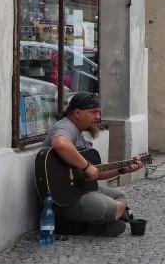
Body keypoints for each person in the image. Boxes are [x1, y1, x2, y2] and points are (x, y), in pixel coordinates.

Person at [42, 92, 143, 236]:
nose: (98, 117)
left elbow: (94, 174)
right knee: (105, 208)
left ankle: (85, 225)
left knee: (121, 196)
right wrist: (86, 166)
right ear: (77, 113)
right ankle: (99, 219)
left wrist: (121, 170)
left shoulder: (82, 133)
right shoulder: (66, 126)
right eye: (93, 112)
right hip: (63, 199)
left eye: (99, 112)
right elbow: (60, 143)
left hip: (80, 189)